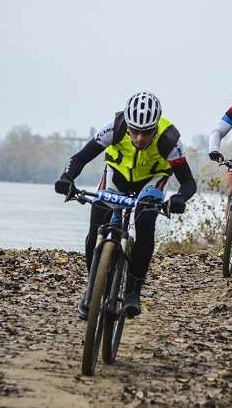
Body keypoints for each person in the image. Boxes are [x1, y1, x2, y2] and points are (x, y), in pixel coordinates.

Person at [54, 91, 197, 319]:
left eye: (146, 132)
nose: (139, 138)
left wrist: (179, 198)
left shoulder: (169, 140)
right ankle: (93, 289)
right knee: (96, 228)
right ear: (127, 126)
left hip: (151, 181)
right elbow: (80, 158)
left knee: (146, 222)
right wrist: (67, 178)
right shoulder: (115, 127)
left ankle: (132, 291)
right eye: (135, 131)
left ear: (156, 127)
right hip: (116, 176)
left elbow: (188, 182)